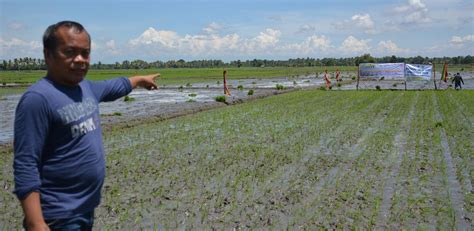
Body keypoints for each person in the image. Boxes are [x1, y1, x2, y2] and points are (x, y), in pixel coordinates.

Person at [13, 21, 159, 230]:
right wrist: (36, 223)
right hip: (57, 217)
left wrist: (139, 80)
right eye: (70, 52)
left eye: (85, 53)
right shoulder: (37, 100)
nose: (80, 60)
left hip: (84, 210)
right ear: (48, 55)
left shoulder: (85, 88)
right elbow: (26, 163)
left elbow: (114, 86)